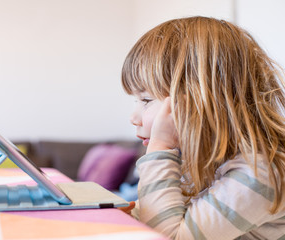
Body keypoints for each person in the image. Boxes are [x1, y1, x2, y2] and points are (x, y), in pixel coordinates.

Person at [121, 16, 285, 239]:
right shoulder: (202, 161)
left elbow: (163, 236)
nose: (134, 117)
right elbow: (152, 211)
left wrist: (160, 148)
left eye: (147, 100)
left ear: (199, 102)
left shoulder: (258, 175)